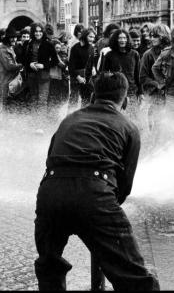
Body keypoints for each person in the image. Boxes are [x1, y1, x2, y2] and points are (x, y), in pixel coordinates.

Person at [34, 71, 160, 291]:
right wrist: (102, 216)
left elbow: (50, 159)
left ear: (93, 96)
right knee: (133, 277)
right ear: (126, 100)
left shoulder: (70, 119)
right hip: (95, 194)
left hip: (50, 193)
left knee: (49, 265)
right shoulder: (128, 127)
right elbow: (124, 185)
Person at [101, 29, 142, 107]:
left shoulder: (134, 54)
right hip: (116, 92)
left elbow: (138, 75)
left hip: (132, 92)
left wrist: (141, 92)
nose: (122, 40)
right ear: (115, 40)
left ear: (127, 39)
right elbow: (104, 74)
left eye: (124, 38)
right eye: (119, 38)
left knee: (133, 117)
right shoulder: (109, 55)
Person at [24, 22, 60, 111]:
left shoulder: (48, 44)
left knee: (42, 101)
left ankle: (41, 123)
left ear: (43, 32)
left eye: (40, 31)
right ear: (33, 32)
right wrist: (30, 64)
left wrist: (43, 65)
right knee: (33, 99)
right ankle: (33, 123)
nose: (38, 33)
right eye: (36, 31)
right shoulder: (28, 44)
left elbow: (56, 61)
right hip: (31, 75)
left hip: (44, 76)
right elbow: (23, 59)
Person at [0, 27, 24, 111]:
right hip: (5, 81)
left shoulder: (9, 48)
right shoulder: (3, 50)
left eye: (15, 37)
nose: (14, 39)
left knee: (9, 105)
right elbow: (9, 66)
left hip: (10, 81)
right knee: (3, 105)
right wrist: (23, 65)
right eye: (12, 38)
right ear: (7, 38)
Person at [68, 27, 96, 109]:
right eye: (90, 37)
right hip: (76, 76)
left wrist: (93, 68)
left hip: (87, 76)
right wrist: (78, 77)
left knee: (87, 98)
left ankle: (84, 117)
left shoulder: (91, 48)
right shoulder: (76, 48)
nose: (92, 39)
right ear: (85, 36)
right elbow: (71, 66)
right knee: (74, 99)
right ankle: (70, 118)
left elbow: (91, 62)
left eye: (93, 37)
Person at [47, 39, 70, 118]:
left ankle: (55, 114)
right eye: (56, 48)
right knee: (51, 97)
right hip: (50, 78)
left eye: (59, 48)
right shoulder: (48, 55)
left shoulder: (61, 55)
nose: (58, 49)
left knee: (58, 98)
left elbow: (63, 66)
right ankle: (51, 115)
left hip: (59, 79)